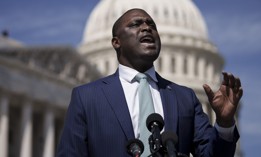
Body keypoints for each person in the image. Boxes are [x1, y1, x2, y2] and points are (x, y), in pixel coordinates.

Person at [57, 8, 243, 157]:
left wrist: (225, 122)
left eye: (151, 25)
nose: (147, 28)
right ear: (116, 42)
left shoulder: (184, 97)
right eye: (136, 24)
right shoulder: (87, 97)